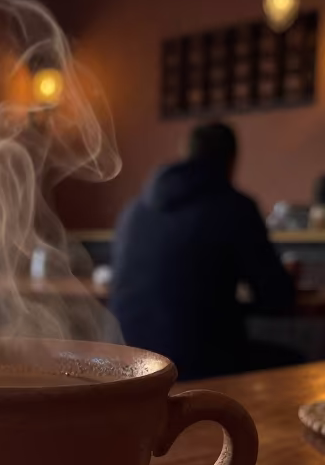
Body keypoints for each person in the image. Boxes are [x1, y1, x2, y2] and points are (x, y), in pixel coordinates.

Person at [109, 122, 297, 381]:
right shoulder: (235, 207)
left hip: (127, 359)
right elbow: (277, 297)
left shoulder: (134, 210)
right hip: (198, 364)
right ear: (231, 161)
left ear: (186, 152)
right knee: (297, 365)